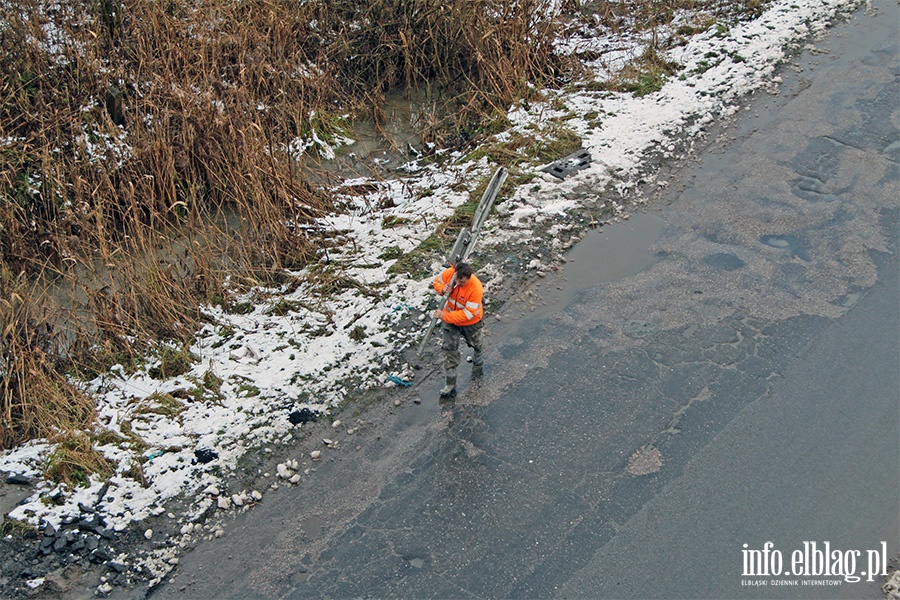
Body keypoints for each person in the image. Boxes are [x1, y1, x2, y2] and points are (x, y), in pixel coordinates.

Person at [432, 262, 484, 396]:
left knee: (475, 342)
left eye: (462, 283)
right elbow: (437, 281)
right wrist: (443, 289)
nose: (458, 284)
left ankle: (478, 354)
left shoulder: (476, 288)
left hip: (470, 323)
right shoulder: (450, 273)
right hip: (450, 321)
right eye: (457, 281)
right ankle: (450, 383)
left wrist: (445, 315)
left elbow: (467, 314)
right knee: (449, 349)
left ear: (469, 278)